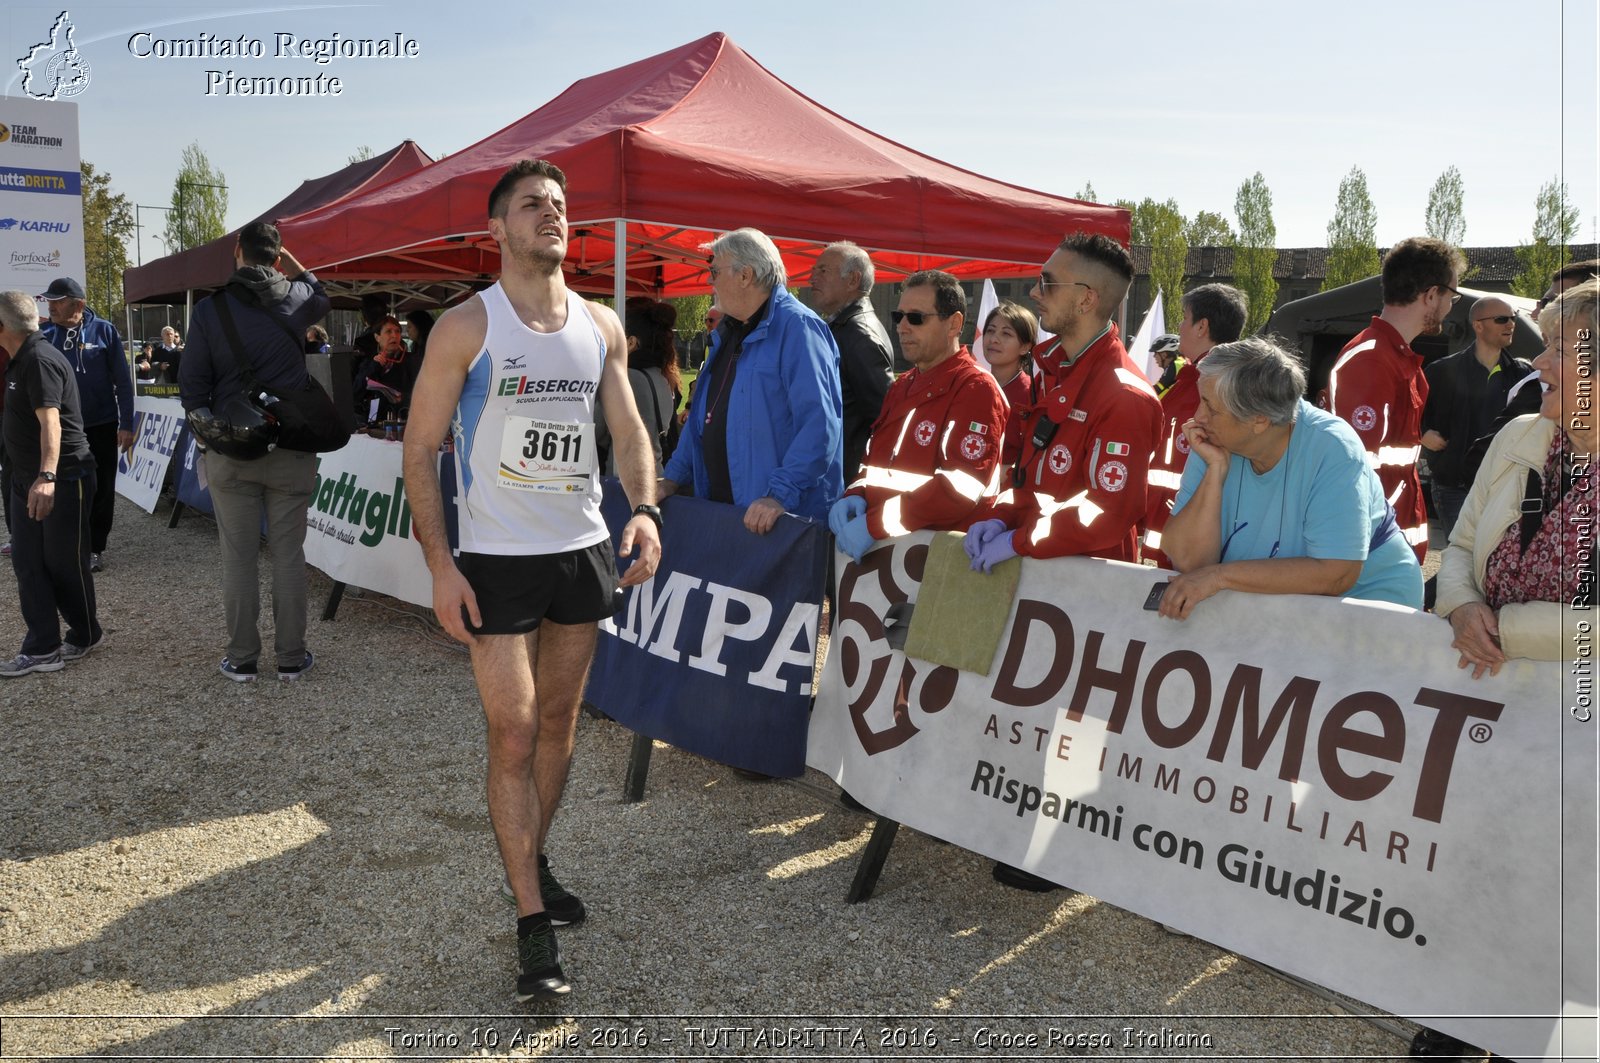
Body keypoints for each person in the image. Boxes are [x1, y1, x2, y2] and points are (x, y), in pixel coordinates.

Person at [401, 158, 662, 1003]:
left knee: (558, 726)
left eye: (558, 204)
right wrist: (440, 565)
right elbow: (418, 447)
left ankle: (533, 859)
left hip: (581, 549)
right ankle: (530, 922)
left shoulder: (600, 324)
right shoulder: (465, 327)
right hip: (497, 560)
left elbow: (627, 430)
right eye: (531, 205)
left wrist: (647, 508)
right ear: (498, 231)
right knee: (512, 733)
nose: (551, 214)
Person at [1156, 337, 1423, 620]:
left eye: (1211, 407)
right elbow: (1188, 561)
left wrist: (1219, 577)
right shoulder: (1212, 440)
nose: (1198, 417)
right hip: (1280, 603)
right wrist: (1214, 472)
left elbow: (1335, 575)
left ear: (1259, 420)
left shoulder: (1332, 448)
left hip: (1367, 604)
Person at [178, 222, 328, 684]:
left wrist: (207, 439)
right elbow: (320, 290)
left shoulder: (209, 309)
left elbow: (192, 385)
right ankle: (290, 657)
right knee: (288, 554)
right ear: (279, 258)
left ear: (237, 251)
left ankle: (242, 658)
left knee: (238, 556)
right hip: (290, 447)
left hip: (231, 447)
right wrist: (292, 260)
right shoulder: (295, 298)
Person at [965, 231, 1161, 569]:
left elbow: (1106, 512)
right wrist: (1001, 516)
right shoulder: (1054, 372)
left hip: (1084, 586)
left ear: (1086, 300)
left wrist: (1019, 540)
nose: (1034, 292)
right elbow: (1028, 481)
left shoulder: (1125, 395)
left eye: (1048, 283)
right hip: (1038, 571)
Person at [1435, 279, 1598, 678]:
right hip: (1488, 699)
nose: (1539, 362)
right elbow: (1461, 544)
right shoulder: (1518, 436)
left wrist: (1500, 630)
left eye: (1559, 350)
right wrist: (1460, 605)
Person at [661, 228, 844, 533]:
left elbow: (820, 427)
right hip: (731, 517)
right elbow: (701, 421)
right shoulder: (728, 332)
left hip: (780, 524)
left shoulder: (798, 328)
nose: (710, 280)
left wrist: (778, 496)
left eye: (714, 270)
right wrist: (672, 477)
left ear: (745, 275)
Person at [829, 270, 1007, 561]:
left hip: (938, 563)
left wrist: (874, 525)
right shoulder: (902, 386)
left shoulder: (976, 390)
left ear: (954, 324)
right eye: (899, 317)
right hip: (884, 557)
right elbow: (874, 463)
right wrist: (855, 494)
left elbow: (959, 490)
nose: (902, 328)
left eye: (916, 318)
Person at [1327, 237, 1466, 563]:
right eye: (1452, 297)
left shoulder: (1397, 359)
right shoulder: (1372, 360)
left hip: (1392, 545)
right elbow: (1358, 472)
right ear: (1432, 295)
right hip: (1375, 551)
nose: (1449, 307)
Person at [0, 291, 103, 677]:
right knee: (28, 563)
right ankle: (43, 646)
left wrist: (46, 478)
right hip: (25, 479)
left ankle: (85, 632)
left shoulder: (39, 360)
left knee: (64, 565)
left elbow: (51, 424)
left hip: (62, 478)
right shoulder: (21, 358)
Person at [1144, 284, 1249, 567]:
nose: (1179, 327)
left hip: (1182, 549)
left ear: (1202, 326)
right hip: (1175, 540)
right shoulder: (1192, 380)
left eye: (1183, 319)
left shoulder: (1212, 389)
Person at [38, 277, 134, 573]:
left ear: (78, 304)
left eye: (58, 300)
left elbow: (123, 380)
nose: (51, 306)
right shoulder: (44, 334)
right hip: (60, 427)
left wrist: (128, 423)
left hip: (101, 423)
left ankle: (94, 548)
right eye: (50, 300)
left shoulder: (103, 330)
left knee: (102, 488)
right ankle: (62, 544)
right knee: (60, 486)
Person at [1419, 295, 1531, 538]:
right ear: (1478, 325)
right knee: (1463, 558)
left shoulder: (1524, 375)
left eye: (1514, 318)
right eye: (1502, 319)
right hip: (1455, 487)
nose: (1511, 324)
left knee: (1494, 562)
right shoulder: (1441, 371)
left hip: (1505, 487)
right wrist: (1422, 434)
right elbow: (1410, 413)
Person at [809, 242, 894, 483]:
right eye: (814, 270)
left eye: (823, 271)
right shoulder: (844, 328)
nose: (811, 279)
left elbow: (883, 419)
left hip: (845, 479)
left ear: (853, 280)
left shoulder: (859, 335)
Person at [597, 297, 680, 475]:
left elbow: (597, 431)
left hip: (624, 480)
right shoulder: (663, 377)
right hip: (655, 473)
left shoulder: (626, 378)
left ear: (631, 342)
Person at [353, 315, 411, 423]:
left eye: (397, 331)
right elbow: (356, 391)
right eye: (389, 331)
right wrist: (374, 366)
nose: (394, 335)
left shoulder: (411, 360)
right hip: (374, 420)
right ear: (377, 337)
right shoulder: (369, 361)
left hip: (402, 419)